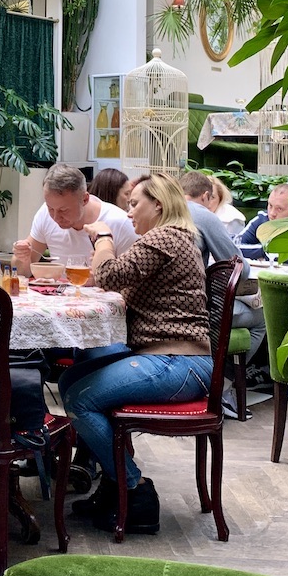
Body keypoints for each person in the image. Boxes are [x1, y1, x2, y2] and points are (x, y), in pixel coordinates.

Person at [58, 173, 213, 535]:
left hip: (179, 362)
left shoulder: (166, 237)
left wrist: (104, 238)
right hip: (172, 357)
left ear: (158, 204)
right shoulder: (174, 239)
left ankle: (134, 489)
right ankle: (113, 485)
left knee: (80, 399)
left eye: (135, 204)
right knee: (71, 377)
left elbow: (109, 275)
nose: (129, 213)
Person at [180, 170, 264, 418]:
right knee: (262, 318)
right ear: (206, 196)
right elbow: (240, 266)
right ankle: (222, 384)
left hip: (164, 307)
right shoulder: (201, 214)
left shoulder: (164, 209)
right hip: (197, 310)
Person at [12, 163, 136, 277]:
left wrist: (96, 280)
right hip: (60, 298)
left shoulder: (120, 222)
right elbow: (23, 272)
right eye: (50, 208)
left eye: (64, 210)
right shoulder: (44, 214)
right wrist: (21, 256)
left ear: (85, 199)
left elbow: (132, 281)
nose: (55, 217)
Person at [236, 184, 288, 263]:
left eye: (279, 209)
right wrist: (265, 251)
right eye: (270, 205)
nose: (272, 213)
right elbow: (236, 246)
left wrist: (261, 255)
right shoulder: (261, 219)